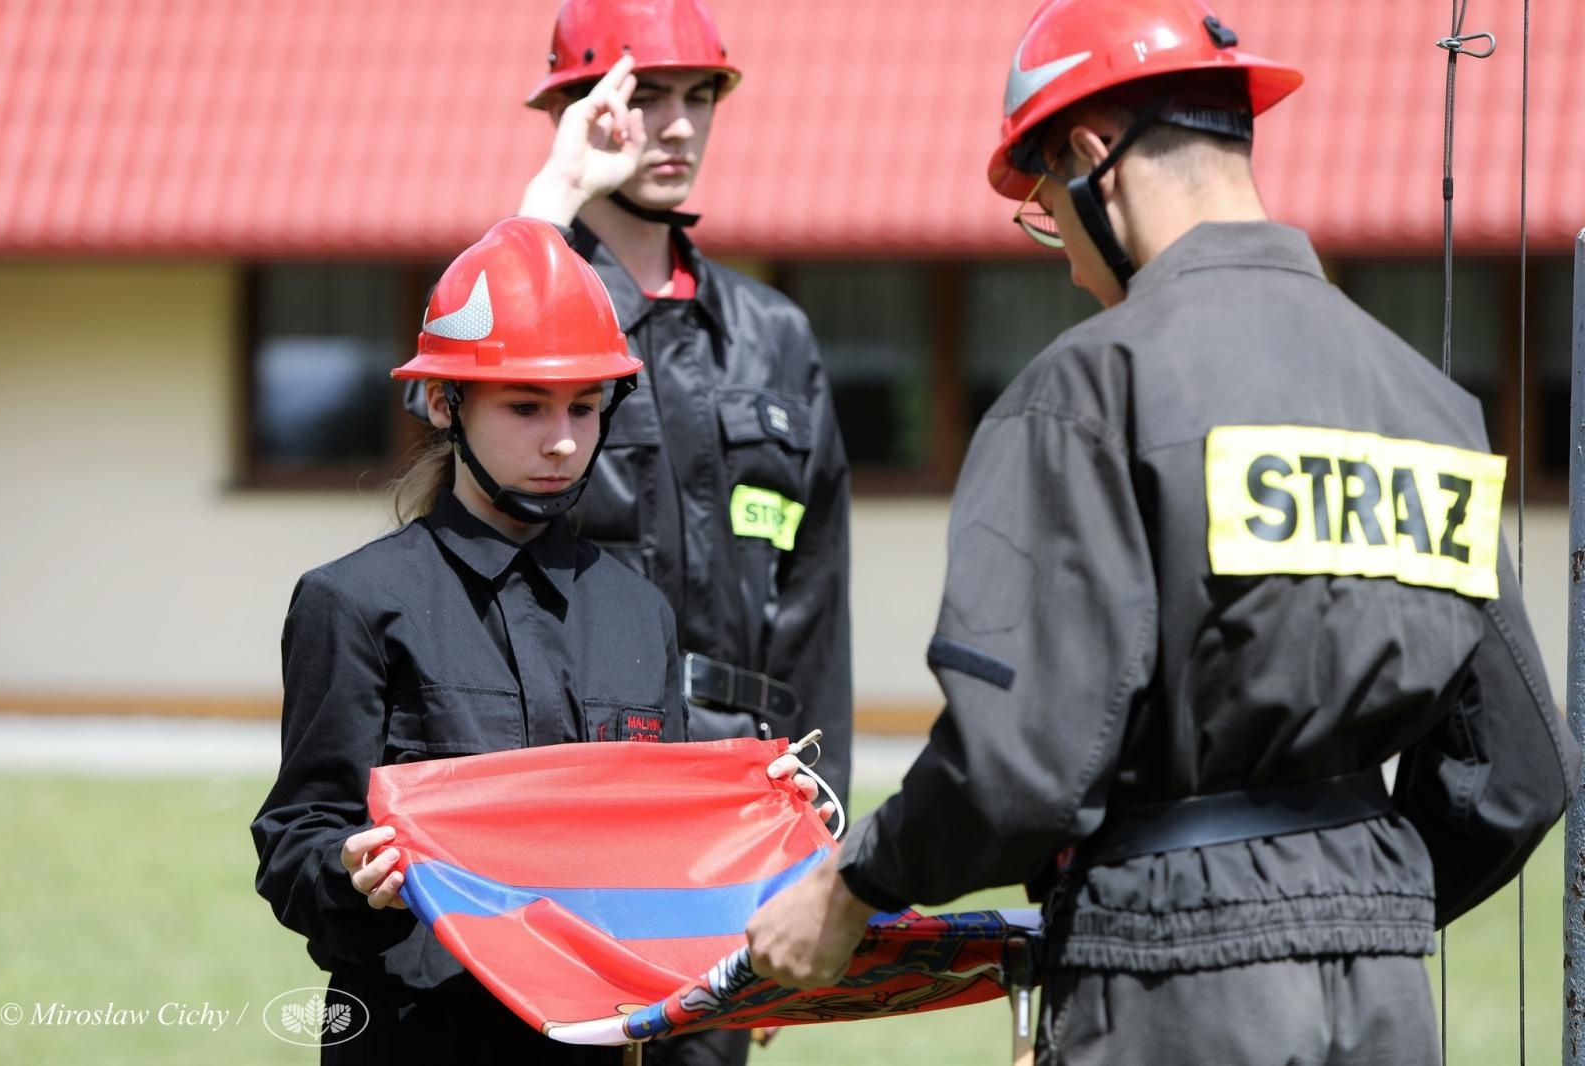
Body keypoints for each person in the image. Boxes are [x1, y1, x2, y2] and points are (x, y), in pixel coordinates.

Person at [745, 2, 1580, 1063]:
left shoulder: (1088, 391)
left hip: (1165, 974)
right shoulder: (1427, 404)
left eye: (1047, 203)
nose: (1061, 256)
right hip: (1385, 996)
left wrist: (853, 883)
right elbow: (1517, 772)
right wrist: (1355, 897)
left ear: (1093, 154)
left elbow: (1016, 769)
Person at [251, 217, 819, 1065]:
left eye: (584, 407)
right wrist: (351, 874)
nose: (561, 440)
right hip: (419, 1035)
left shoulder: (639, 613)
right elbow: (296, 842)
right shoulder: (354, 602)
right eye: (525, 406)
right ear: (446, 403)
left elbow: (654, 855)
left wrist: (748, 831)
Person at [518, 0, 853, 809]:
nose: (677, 126)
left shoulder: (773, 333)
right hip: (573, 774)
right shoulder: (531, 300)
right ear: (575, 113)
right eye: (645, 97)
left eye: (697, 96)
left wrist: (822, 817)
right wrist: (553, 201)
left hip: (749, 780)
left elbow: (816, 601)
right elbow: (440, 410)